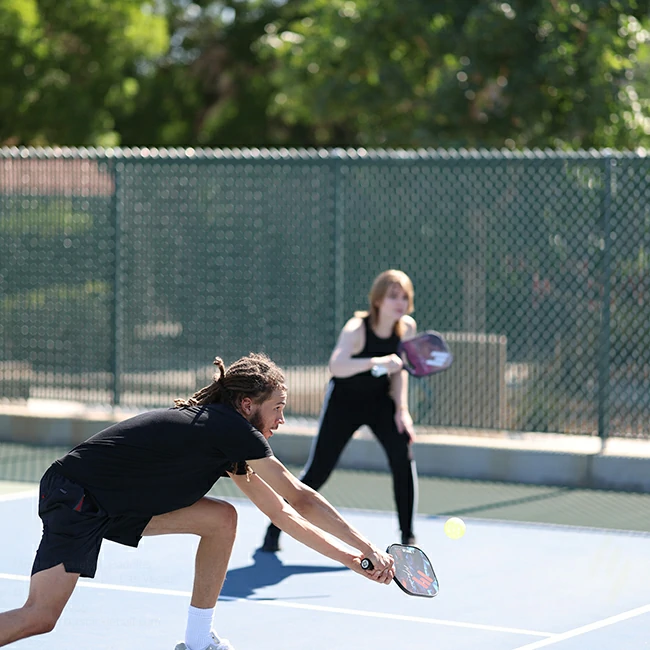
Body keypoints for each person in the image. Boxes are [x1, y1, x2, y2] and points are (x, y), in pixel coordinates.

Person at [0, 353, 395, 650]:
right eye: (277, 408)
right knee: (41, 616)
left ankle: (197, 640)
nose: (281, 419)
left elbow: (281, 513)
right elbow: (299, 496)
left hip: (112, 502)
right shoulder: (228, 427)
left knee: (221, 519)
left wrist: (351, 559)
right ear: (247, 405)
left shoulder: (224, 438)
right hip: (78, 496)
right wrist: (366, 548)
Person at [262, 269, 418, 553]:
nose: (400, 302)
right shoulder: (356, 328)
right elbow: (337, 366)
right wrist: (376, 362)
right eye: (393, 296)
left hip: (381, 402)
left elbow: (399, 372)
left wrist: (401, 410)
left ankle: (408, 539)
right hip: (345, 402)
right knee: (319, 470)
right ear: (378, 300)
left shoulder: (406, 327)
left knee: (402, 458)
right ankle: (275, 529)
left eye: (404, 297)